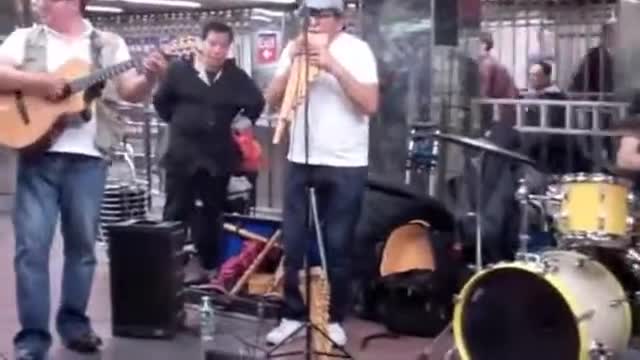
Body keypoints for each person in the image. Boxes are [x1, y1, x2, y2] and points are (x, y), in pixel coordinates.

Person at [0, 0, 167, 359]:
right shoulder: (24, 39)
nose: (42, 2)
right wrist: (43, 82)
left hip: (89, 159)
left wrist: (151, 75)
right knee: (31, 252)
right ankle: (32, 341)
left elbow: (128, 90)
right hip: (37, 155)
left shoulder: (108, 43)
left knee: (82, 250)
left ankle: (74, 326)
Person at [263, 0, 379, 347]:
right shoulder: (293, 48)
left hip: (346, 162)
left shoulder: (358, 51)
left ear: (340, 20)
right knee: (295, 243)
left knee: (337, 244)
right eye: (310, 14)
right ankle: (292, 314)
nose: (314, 21)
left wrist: (332, 67)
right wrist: (293, 63)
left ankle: (333, 317)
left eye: (322, 14)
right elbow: (271, 99)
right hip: (301, 158)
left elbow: (370, 104)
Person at [153, 21, 265, 283]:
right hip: (181, 155)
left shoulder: (236, 77)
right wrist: (181, 122)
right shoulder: (179, 71)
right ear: (202, 43)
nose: (217, 50)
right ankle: (170, 268)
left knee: (213, 213)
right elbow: (161, 103)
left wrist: (242, 123)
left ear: (229, 48)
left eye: (223, 46)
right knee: (175, 211)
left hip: (217, 157)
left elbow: (256, 104)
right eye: (213, 43)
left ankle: (211, 266)